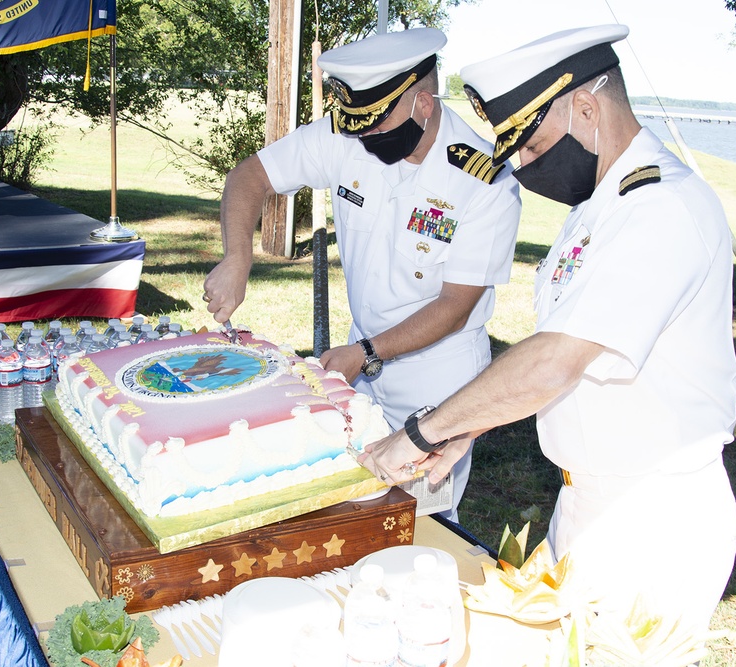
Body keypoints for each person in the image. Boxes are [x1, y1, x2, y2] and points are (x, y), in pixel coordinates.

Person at [359, 24, 736, 635]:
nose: (525, 167)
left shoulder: (660, 209)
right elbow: (580, 361)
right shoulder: (602, 206)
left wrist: (422, 432)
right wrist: (471, 425)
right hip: (592, 500)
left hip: (651, 516)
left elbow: (554, 359)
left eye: (532, 148)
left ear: (587, 108)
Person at [203, 28, 522, 520]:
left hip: (437, 381)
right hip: (358, 362)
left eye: (377, 123)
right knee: (339, 505)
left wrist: (366, 353)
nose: (366, 135)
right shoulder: (345, 134)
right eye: (359, 124)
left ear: (423, 102)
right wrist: (237, 257)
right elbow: (251, 175)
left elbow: (455, 306)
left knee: (417, 519)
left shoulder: (483, 179)